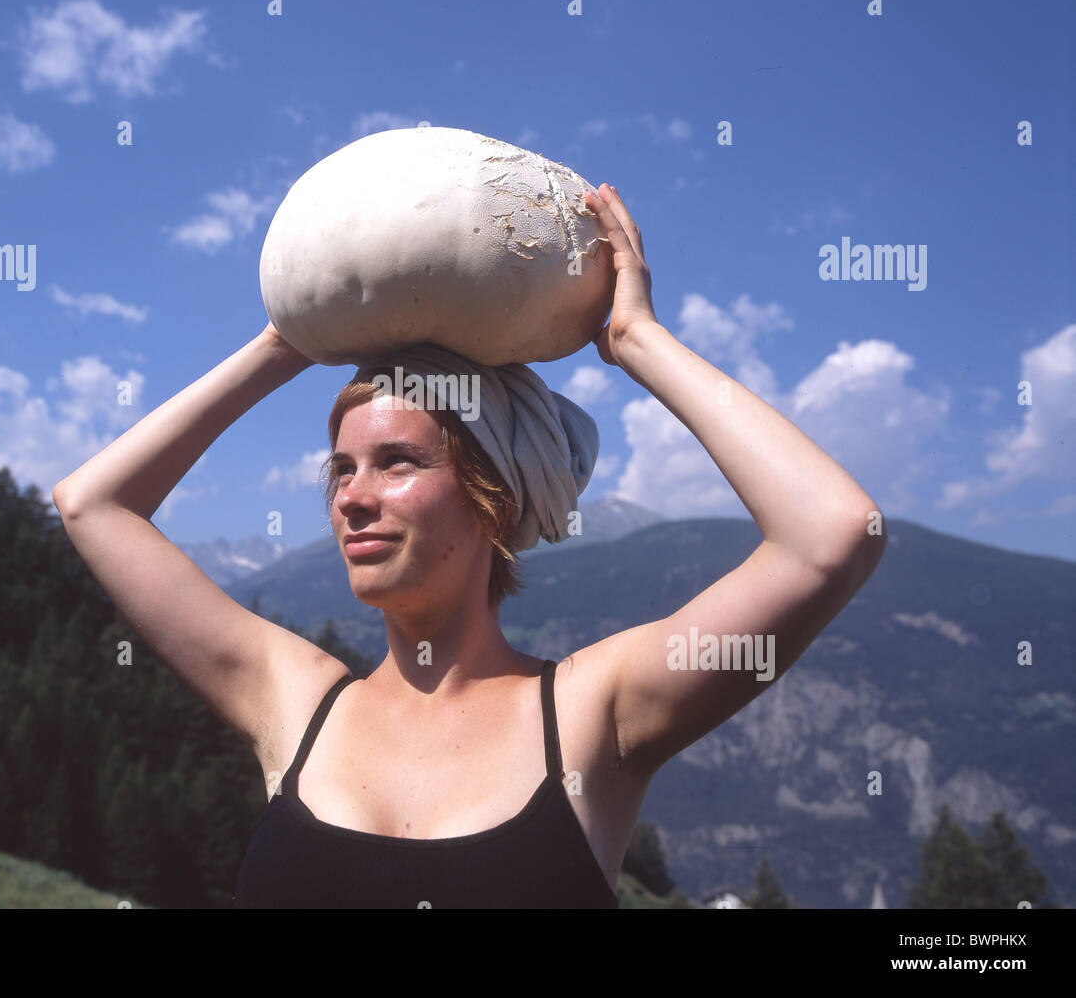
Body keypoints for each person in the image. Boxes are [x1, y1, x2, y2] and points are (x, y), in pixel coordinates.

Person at [52, 183, 887, 908]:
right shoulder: (296, 702)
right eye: (340, 469)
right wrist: (289, 340)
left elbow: (833, 534)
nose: (353, 497)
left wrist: (637, 343)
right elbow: (94, 504)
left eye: (399, 462)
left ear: (492, 497)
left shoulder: (594, 714)